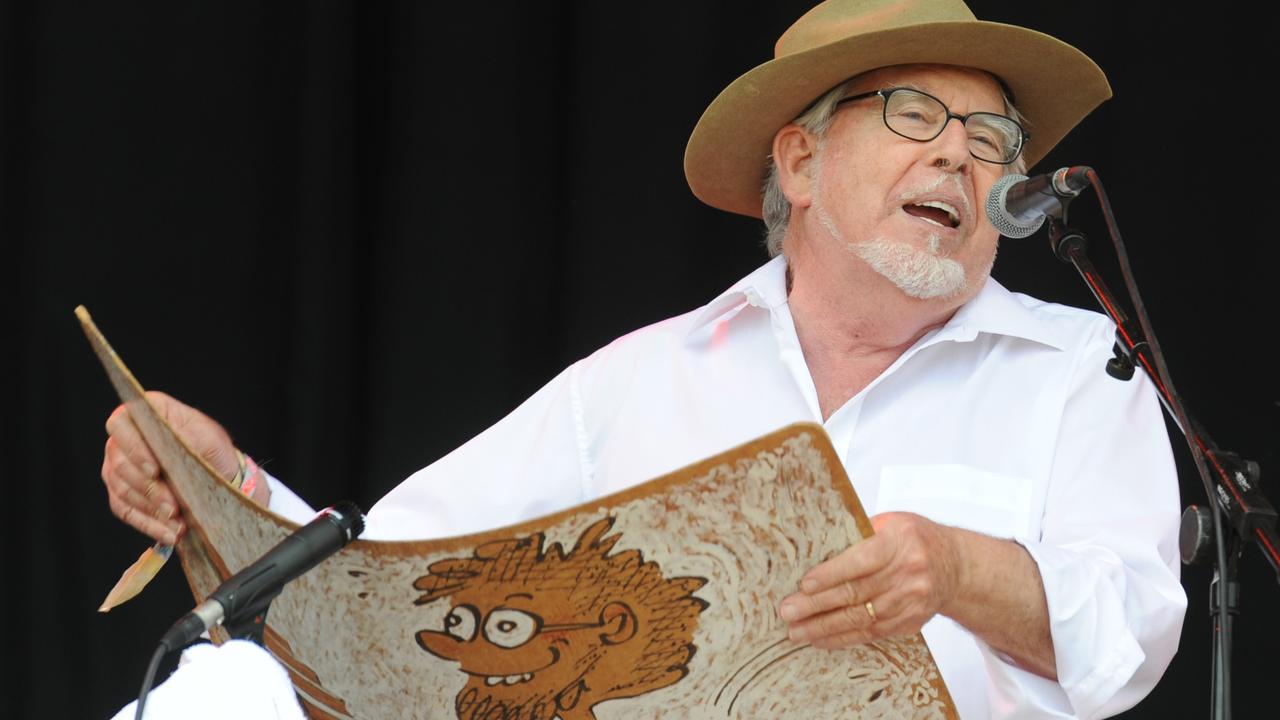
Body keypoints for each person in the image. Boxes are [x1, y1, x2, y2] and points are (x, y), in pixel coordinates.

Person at [99, 1, 1186, 717]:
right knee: (226, 688)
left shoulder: (1079, 366)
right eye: (914, 113)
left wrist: (952, 570)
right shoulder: (645, 375)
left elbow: (1129, 639)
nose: (960, 150)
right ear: (799, 161)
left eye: (991, 137)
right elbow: (396, 579)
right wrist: (223, 483)